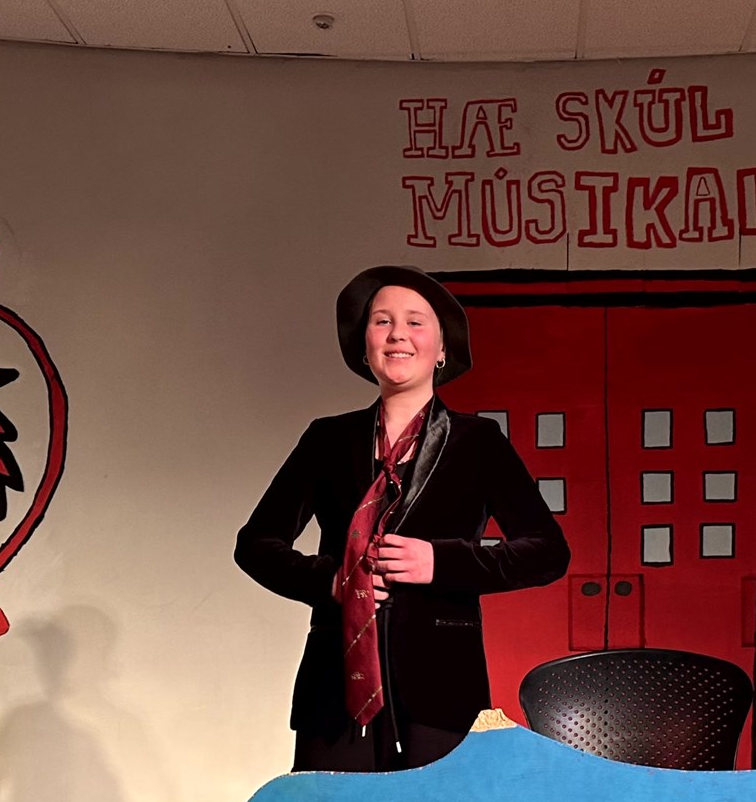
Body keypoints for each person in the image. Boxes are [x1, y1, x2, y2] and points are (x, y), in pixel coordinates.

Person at [236, 265, 570, 772]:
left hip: (441, 689)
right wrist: (331, 581)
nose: (397, 334)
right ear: (364, 347)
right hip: (334, 691)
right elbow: (256, 543)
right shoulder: (326, 440)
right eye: (382, 322)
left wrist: (442, 561)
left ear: (442, 348)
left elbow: (548, 551)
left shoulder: (479, 442)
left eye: (415, 322)